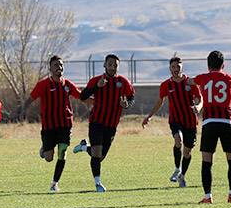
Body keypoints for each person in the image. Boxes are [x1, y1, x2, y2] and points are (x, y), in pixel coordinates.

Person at [192, 50, 231, 204]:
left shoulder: (203, 78)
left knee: (207, 161)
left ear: (208, 65)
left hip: (209, 123)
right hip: (227, 123)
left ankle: (207, 197)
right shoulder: (230, 78)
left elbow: (189, 81)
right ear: (224, 65)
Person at [74, 54, 135, 192]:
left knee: (100, 156)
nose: (112, 67)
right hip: (96, 122)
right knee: (96, 153)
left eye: (115, 65)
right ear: (105, 65)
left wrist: (127, 104)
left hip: (112, 125)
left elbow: (131, 98)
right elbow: (82, 96)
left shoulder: (123, 82)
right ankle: (98, 184)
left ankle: (84, 148)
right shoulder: (96, 80)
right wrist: (96, 86)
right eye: (110, 64)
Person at [142, 56, 201, 188]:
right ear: (170, 68)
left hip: (190, 121)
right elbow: (160, 101)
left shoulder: (190, 83)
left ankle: (182, 176)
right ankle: (177, 168)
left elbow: (200, 98)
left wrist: (198, 107)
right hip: (175, 120)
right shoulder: (166, 85)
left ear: (182, 67)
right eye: (173, 67)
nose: (176, 69)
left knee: (187, 152)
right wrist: (149, 116)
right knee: (178, 140)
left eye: (178, 67)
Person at [29, 55, 83, 192]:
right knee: (48, 158)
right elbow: (31, 97)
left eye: (61, 65)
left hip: (65, 124)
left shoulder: (67, 85)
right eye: (56, 65)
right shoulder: (43, 84)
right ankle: (45, 148)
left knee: (62, 153)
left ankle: (54, 183)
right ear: (50, 68)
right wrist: (21, 110)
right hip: (49, 126)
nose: (59, 68)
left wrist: (96, 100)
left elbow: (81, 96)